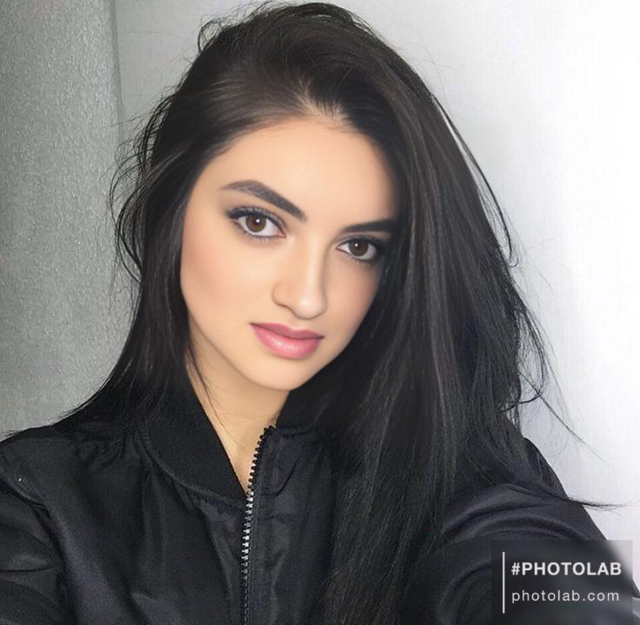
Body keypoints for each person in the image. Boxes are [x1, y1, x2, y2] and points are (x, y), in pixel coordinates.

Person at [0, 2, 637, 624]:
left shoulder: (472, 472)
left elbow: (565, 586)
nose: (308, 297)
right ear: (170, 208)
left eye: (358, 247)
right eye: (259, 222)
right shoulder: (35, 501)